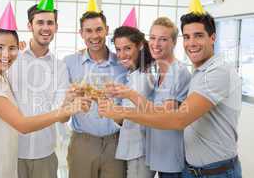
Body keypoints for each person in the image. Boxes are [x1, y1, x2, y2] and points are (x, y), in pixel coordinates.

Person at [99, 12, 242, 178]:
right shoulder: (194, 73)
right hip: (187, 166)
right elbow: (162, 112)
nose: (192, 42)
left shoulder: (214, 72)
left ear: (212, 38)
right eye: (187, 37)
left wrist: (125, 107)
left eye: (199, 36)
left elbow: (176, 118)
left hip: (214, 170)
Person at [0, 25, 90, 178]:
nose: (6, 54)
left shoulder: (2, 76)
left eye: (11, 48)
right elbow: (22, 125)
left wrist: (68, 102)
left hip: (8, 162)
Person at [106, 17, 191, 178]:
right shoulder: (158, 71)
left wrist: (127, 97)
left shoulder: (176, 72)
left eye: (163, 39)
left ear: (173, 42)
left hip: (168, 158)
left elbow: (165, 116)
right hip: (156, 154)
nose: (156, 43)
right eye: (153, 38)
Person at [63, 11, 127, 178]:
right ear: (81, 33)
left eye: (99, 29)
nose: (94, 36)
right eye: (88, 31)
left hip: (116, 142)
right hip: (83, 142)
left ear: (106, 30)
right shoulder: (69, 62)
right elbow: (61, 105)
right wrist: (71, 99)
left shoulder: (122, 63)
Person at [110, 25, 153, 178]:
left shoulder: (146, 76)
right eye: (118, 49)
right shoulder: (132, 74)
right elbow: (123, 119)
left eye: (127, 48)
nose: (122, 55)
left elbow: (150, 113)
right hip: (133, 148)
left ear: (140, 46)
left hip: (140, 149)